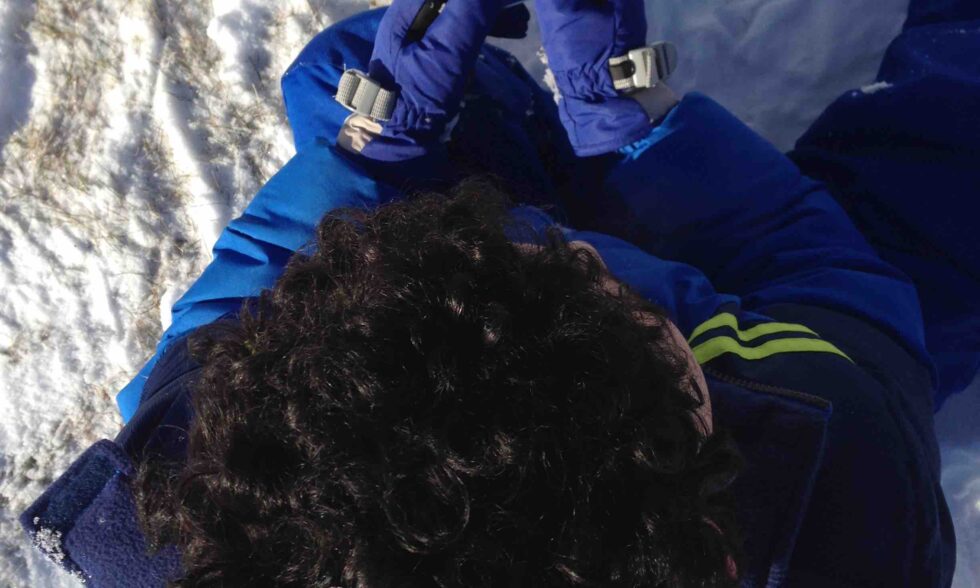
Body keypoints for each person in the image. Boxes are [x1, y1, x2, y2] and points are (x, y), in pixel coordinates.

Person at [21, 0, 977, 584]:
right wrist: (635, 129)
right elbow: (835, 288)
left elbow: (239, 304)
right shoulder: (844, 514)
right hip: (782, 328)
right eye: (631, 318)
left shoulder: (201, 497)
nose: (589, 259)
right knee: (947, 199)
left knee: (343, 77)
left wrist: (383, 136)